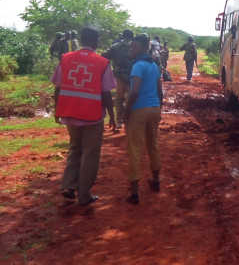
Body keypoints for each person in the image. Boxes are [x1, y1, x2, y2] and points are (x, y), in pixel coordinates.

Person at [52, 26, 116, 206]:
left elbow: (58, 87)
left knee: (75, 148)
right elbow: (106, 94)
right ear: (95, 41)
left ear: (81, 39)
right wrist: (111, 115)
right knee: (90, 153)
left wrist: (57, 110)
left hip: (70, 112)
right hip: (92, 115)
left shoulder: (66, 58)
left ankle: (68, 187)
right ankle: (84, 195)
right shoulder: (102, 62)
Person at [124, 34, 163, 204]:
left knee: (134, 149)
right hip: (154, 109)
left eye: (135, 47)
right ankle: (156, 181)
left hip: (139, 110)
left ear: (143, 49)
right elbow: (160, 91)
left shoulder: (137, 66)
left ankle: (134, 194)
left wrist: (127, 109)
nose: (131, 49)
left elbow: (135, 91)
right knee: (153, 145)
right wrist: (158, 108)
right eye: (130, 47)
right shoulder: (154, 65)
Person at [102, 29, 135, 129]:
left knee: (119, 98)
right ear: (132, 36)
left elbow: (104, 56)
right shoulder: (136, 46)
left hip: (119, 76)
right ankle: (130, 120)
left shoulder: (115, 46)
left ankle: (119, 121)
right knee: (132, 98)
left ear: (123, 36)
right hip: (134, 76)